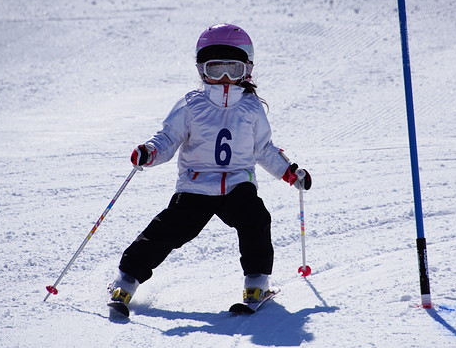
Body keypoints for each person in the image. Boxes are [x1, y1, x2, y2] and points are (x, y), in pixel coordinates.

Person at [108, 23, 312, 311]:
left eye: (234, 69)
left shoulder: (251, 108)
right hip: (195, 185)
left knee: (256, 221)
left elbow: (263, 148)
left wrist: (289, 172)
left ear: (248, 69)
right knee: (165, 231)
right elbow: (168, 138)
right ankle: (126, 281)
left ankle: (256, 284)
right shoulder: (192, 105)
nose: (226, 77)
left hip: (237, 185)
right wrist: (149, 152)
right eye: (217, 69)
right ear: (202, 70)